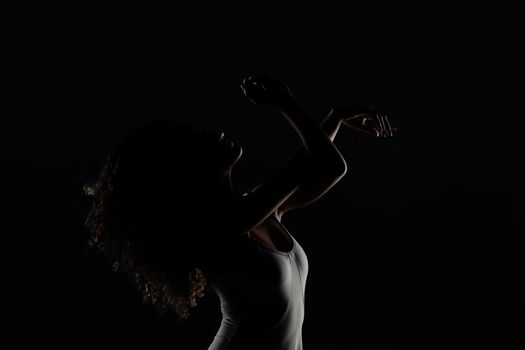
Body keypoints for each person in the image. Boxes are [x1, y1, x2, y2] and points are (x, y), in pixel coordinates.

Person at [85, 74, 394, 350]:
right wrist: (285, 103)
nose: (217, 133)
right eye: (201, 138)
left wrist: (335, 117)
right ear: (186, 169)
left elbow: (325, 167)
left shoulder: (258, 211)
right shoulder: (220, 227)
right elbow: (324, 163)